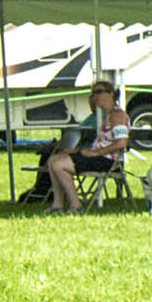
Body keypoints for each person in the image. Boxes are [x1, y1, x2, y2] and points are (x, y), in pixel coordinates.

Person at [46, 79, 130, 212]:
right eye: (93, 93)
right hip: (97, 156)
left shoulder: (117, 115)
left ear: (111, 94)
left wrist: (95, 153)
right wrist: (76, 151)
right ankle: (58, 205)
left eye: (99, 92)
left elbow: (122, 142)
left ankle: (76, 205)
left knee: (59, 164)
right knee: (53, 160)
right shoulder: (105, 115)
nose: (95, 96)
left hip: (107, 160)